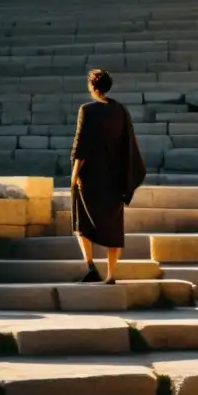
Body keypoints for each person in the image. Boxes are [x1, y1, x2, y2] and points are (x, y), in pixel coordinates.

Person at [70, 69, 146, 283]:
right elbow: (128, 143)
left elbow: (81, 144)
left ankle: (91, 267)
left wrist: (74, 176)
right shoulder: (121, 111)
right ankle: (111, 275)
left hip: (91, 177)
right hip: (115, 178)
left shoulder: (87, 110)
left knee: (82, 223)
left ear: (93, 87)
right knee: (114, 227)